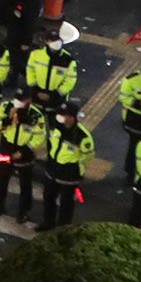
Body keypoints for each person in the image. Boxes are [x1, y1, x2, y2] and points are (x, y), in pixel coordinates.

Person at [40, 98, 92, 231]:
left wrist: (76, 166)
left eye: (64, 115)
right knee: (48, 197)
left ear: (72, 117)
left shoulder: (82, 136)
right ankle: (48, 222)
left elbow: (88, 155)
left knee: (66, 202)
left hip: (69, 172)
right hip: (53, 167)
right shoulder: (56, 127)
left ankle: (62, 228)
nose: (61, 117)